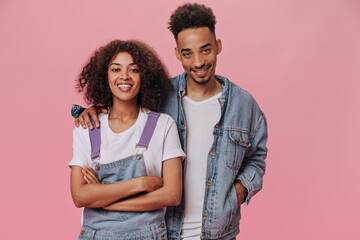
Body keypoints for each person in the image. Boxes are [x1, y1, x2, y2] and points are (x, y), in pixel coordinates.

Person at [74, 3, 268, 240]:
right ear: (177, 53)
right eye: (188, 53)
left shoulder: (243, 104)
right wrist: (95, 110)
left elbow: (257, 157)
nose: (198, 62)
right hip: (165, 230)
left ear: (218, 46)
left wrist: (238, 192)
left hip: (220, 232)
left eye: (205, 50)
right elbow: (126, 108)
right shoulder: (161, 95)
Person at [69, 40, 185, 240]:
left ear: (145, 77)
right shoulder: (87, 128)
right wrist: (139, 184)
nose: (124, 76)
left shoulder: (163, 126)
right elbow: (80, 196)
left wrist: (103, 199)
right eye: (116, 69)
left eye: (134, 70)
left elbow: (172, 195)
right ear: (105, 76)